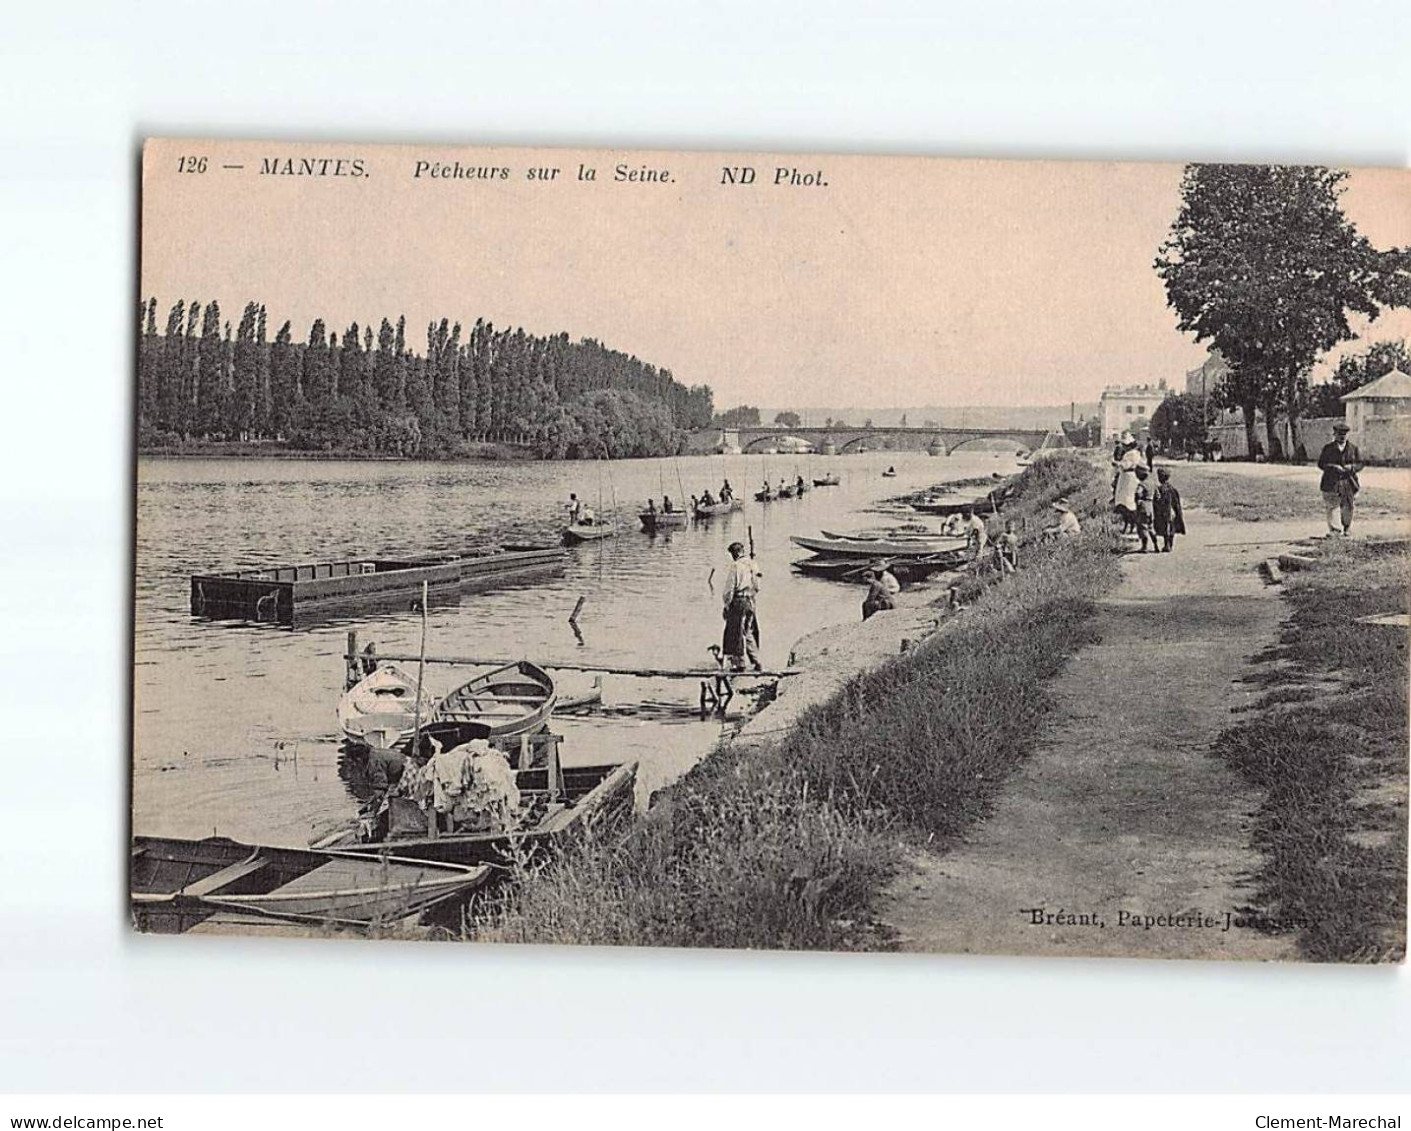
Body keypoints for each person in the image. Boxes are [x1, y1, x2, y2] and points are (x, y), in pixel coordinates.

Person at [721, 541, 763, 672]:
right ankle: (757, 661)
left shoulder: (736, 566)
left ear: (734, 553)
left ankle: (740, 664)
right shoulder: (753, 564)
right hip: (751, 600)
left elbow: (729, 589)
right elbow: (757, 585)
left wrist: (727, 605)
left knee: (735, 632)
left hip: (739, 600)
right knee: (748, 631)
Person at [1317, 422, 1363, 536]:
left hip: (1348, 481)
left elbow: (1360, 463)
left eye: (1344, 434)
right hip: (1331, 481)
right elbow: (1321, 464)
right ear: (1334, 434)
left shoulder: (1353, 448)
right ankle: (1334, 530)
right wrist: (1333, 467)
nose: (1342, 436)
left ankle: (1347, 528)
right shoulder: (1328, 448)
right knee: (1332, 505)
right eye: (1339, 434)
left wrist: (1352, 468)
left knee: (1348, 505)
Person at [1112, 432, 1143, 532]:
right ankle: (1128, 524)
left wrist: (1117, 464)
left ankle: (1131, 524)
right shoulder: (1132, 453)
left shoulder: (1132, 454)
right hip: (1125, 477)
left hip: (1129, 477)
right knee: (1124, 501)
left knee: (1127, 501)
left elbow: (1126, 465)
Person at [1152, 468, 1185, 552]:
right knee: (1171, 528)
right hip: (1172, 511)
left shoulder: (1160, 489)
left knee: (1165, 528)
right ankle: (1170, 544)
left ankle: (1167, 545)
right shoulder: (1172, 488)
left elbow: (1157, 500)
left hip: (1164, 512)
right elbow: (1176, 501)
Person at [1133, 466, 1155, 552]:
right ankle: (1155, 545)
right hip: (1150, 506)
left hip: (1143, 506)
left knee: (1142, 527)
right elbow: (1157, 496)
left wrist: (1138, 499)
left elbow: (1138, 493)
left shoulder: (1141, 484)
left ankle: (1144, 547)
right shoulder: (1152, 483)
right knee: (1150, 526)